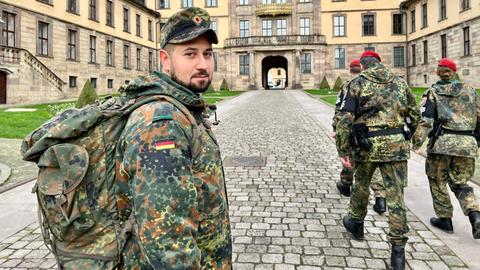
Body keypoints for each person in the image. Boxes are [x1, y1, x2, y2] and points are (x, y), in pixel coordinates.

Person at [115, 7, 232, 269]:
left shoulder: (184, 107)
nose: (202, 64)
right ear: (165, 60)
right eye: (190, 54)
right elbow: (168, 245)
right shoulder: (163, 124)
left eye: (207, 54)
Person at [335, 51, 420, 270]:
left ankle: (356, 222)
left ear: (363, 66)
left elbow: (345, 119)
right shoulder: (400, 83)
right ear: (379, 63)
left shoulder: (357, 83)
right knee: (397, 196)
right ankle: (398, 251)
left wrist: (343, 149)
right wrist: (406, 136)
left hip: (366, 146)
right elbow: (415, 114)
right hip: (396, 145)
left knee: (361, 186)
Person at [412, 58, 480, 239]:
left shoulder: (432, 92)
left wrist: (415, 143)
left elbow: (425, 121)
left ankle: (445, 219)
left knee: (437, 180)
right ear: (454, 72)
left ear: (438, 72)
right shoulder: (471, 91)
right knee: (461, 182)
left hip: (442, 144)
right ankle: (475, 214)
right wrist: (476, 142)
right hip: (467, 144)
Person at [334, 59, 387, 215]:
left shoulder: (349, 86)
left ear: (351, 70)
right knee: (375, 163)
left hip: (356, 130)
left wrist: (337, 131)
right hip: (378, 131)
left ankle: (346, 184)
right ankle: (380, 197)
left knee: (350, 159)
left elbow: (340, 112)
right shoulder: (379, 85)